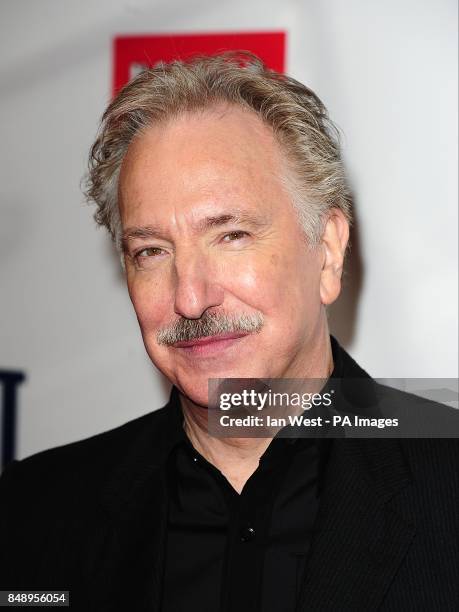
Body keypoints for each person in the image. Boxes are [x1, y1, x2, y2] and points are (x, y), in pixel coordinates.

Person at [0, 53, 457, 612]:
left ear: (329, 252)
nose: (190, 298)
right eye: (151, 251)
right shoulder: (31, 512)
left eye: (232, 236)